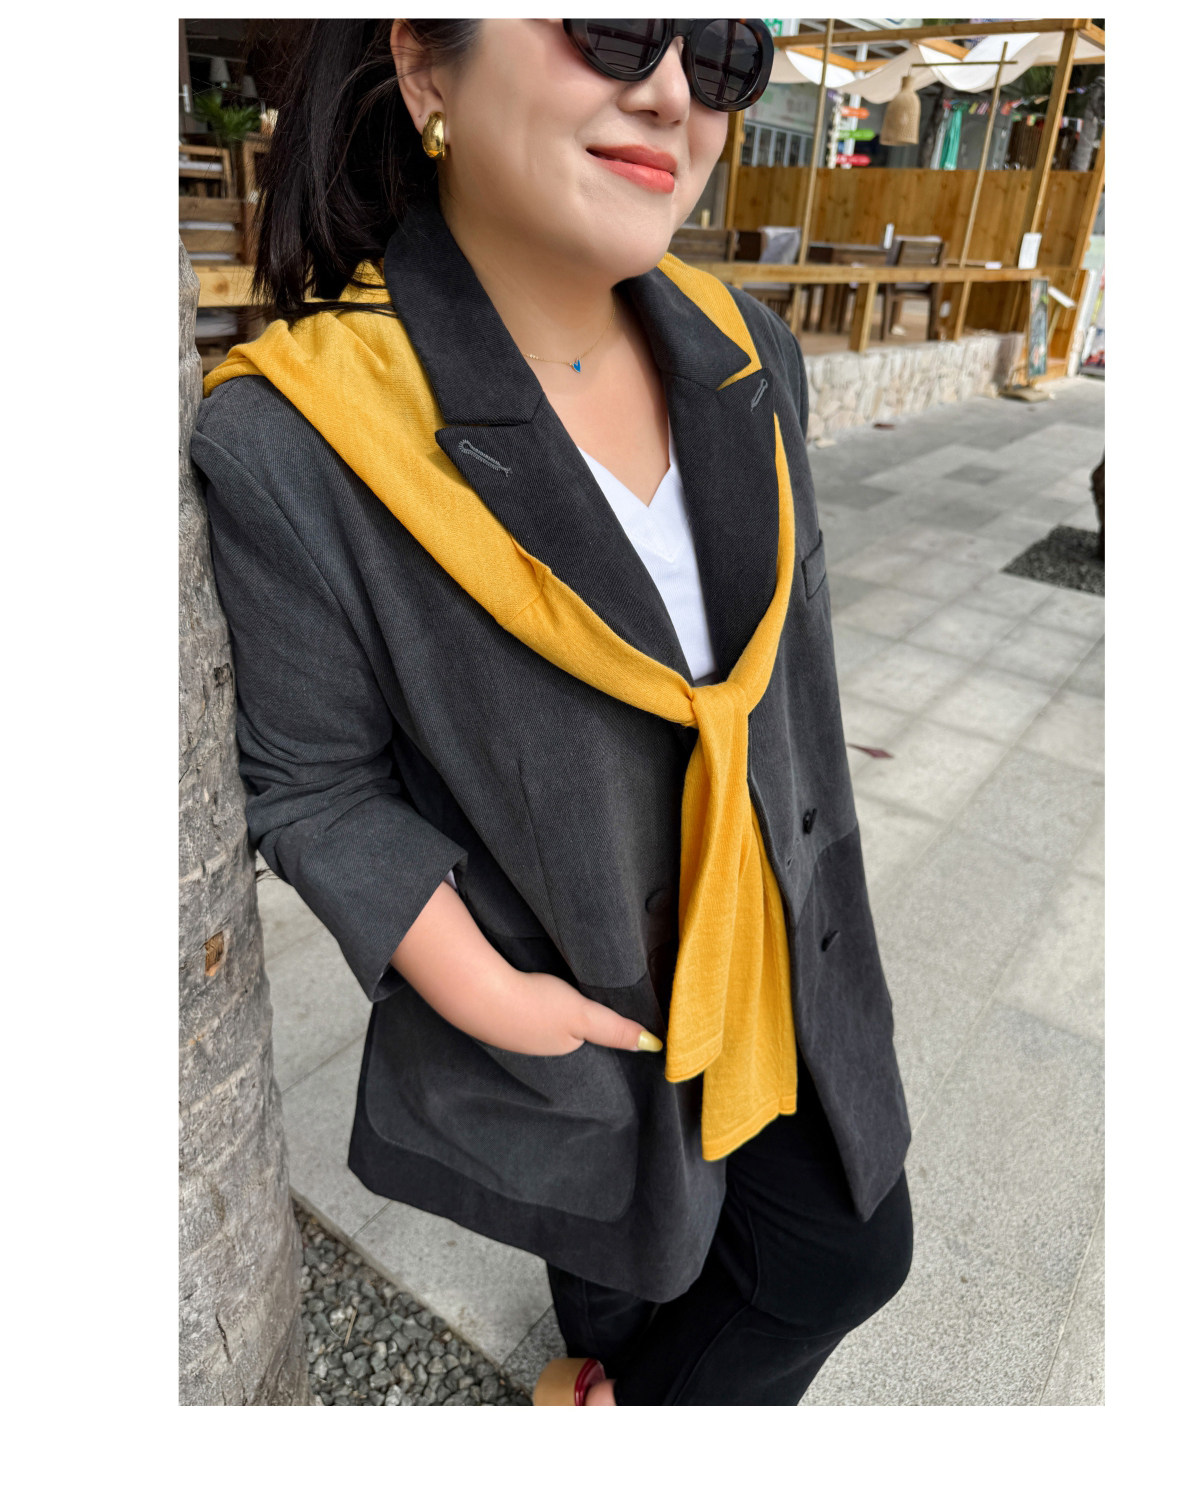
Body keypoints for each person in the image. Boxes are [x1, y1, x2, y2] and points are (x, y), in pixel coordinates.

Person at [191, 18, 913, 1407]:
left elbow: (793, 692)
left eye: (722, 50)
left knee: (841, 1254)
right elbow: (317, 781)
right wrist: (483, 991)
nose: (671, 92)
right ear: (426, 65)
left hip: (776, 951)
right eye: (611, 25)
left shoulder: (749, 351)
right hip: (576, 985)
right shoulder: (304, 434)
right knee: (622, 1263)